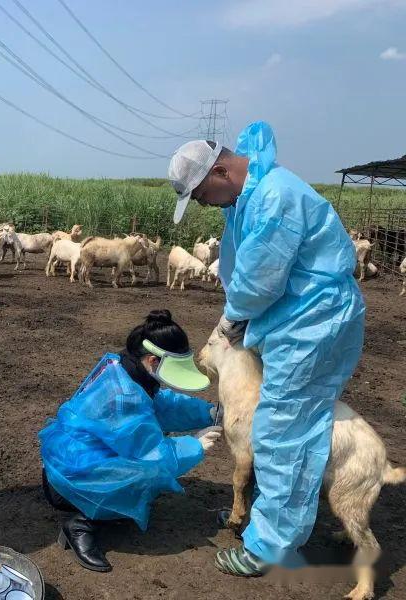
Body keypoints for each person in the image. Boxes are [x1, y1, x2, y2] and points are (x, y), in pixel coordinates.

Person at [168, 122, 365, 576]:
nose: (202, 205)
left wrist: (235, 319)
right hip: (293, 321)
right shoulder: (249, 197)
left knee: (282, 432)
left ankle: (271, 543)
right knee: (282, 425)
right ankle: (261, 515)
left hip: (312, 327)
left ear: (218, 172)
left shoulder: (274, 197)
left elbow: (258, 279)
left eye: (199, 196)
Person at [39, 310, 222, 573]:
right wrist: (194, 445)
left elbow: (162, 405)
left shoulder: (125, 367)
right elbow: (152, 455)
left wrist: (206, 413)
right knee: (148, 475)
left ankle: (101, 507)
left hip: (70, 462)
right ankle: (82, 524)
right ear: (152, 360)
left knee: (150, 466)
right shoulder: (124, 395)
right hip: (70, 482)